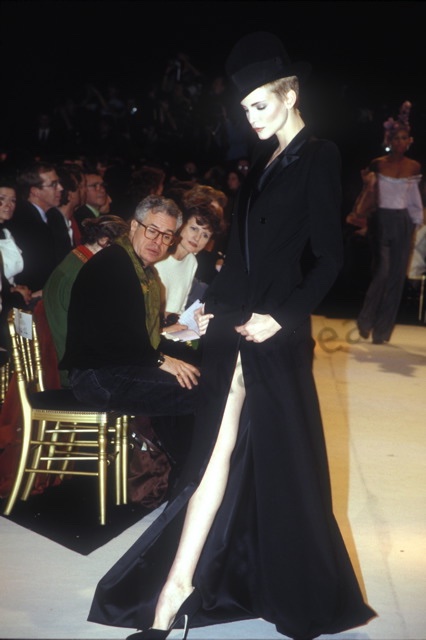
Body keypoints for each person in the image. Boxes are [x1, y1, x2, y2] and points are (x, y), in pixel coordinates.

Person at [87, 32, 376, 640]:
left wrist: (283, 317)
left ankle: (276, 587)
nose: (251, 117)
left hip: (274, 337)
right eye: (244, 109)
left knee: (282, 469)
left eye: (260, 104)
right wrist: (206, 312)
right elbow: (240, 262)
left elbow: (329, 257)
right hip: (231, 332)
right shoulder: (262, 165)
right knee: (212, 458)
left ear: (290, 94)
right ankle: (174, 592)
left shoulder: (318, 156)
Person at [60, 195, 200, 464]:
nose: (157, 242)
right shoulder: (114, 265)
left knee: (192, 377)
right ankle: (189, 473)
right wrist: (162, 360)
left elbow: (137, 338)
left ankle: (176, 471)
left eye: (167, 236)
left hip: (115, 369)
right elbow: (118, 340)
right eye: (152, 230)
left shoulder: (140, 269)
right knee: (200, 390)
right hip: (96, 377)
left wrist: (179, 358)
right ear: (134, 226)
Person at [356, 102, 423, 344]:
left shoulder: (413, 166)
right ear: (389, 140)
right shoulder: (379, 163)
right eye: (396, 138)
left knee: (397, 276)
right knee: (382, 272)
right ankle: (365, 321)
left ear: (409, 141)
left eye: (404, 138)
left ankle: (382, 331)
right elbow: (369, 192)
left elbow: (413, 197)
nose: (400, 142)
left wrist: (417, 221)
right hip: (381, 220)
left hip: (403, 221)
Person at [43, 215, 129, 387]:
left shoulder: (76, 259)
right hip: (77, 374)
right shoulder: (85, 273)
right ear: (104, 241)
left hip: (73, 362)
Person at [155, 202, 223, 323]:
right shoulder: (159, 256)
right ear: (181, 226)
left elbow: (180, 307)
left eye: (205, 235)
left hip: (172, 325)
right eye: (194, 229)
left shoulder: (192, 262)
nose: (197, 238)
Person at [6, 161, 63, 298]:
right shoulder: (20, 221)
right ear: (35, 191)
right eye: (53, 185)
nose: (60, 188)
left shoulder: (54, 216)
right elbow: (30, 269)